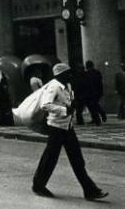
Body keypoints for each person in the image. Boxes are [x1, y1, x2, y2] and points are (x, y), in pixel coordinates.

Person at [32, 63, 108, 201]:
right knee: (50, 159)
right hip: (56, 128)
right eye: (67, 73)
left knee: (77, 159)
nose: (70, 75)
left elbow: (69, 102)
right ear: (60, 75)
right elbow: (45, 104)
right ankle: (38, 186)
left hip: (67, 127)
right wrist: (64, 110)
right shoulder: (54, 86)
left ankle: (90, 190)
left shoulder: (67, 85)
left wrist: (72, 105)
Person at [83, 61, 106, 125]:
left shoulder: (86, 73)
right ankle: (101, 115)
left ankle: (97, 119)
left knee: (92, 106)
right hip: (97, 92)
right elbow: (100, 83)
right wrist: (101, 92)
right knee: (95, 105)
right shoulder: (97, 72)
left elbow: (86, 84)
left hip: (90, 92)